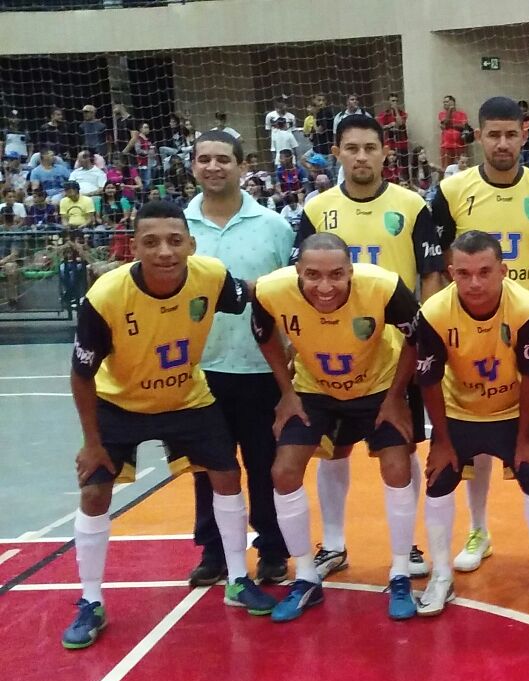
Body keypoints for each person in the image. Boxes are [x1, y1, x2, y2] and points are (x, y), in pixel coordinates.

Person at [62, 200, 273, 649]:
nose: (164, 251)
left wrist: (306, 279)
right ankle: (90, 601)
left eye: (175, 241)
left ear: (191, 245)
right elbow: (81, 375)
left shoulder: (211, 276)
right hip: (119, 404)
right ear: (133, 247)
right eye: (152, 242)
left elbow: (252, 291)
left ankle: (238, 578)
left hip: (186, 399)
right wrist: (91, 443)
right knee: (95, 491)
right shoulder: (106, 296)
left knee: (227, 475)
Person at [295, 112, 442, 580]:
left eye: (370, 148)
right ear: (336, 153)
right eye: (352, 148)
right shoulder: (317, 209)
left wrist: (426, 337)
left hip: (396, 356)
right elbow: (298, 279)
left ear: (385, 153)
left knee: (402, 450)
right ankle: (333, 544)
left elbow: (432, 276)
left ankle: (408, 545)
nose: (361, 157)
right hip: (330, 356)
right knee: (332, 451)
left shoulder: (412, 206)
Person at [429, 96, 529, 574]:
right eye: (494, 135)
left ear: (524, 134)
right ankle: (478, 530)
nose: (503, 143)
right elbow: (437, 261)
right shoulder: (453, 191)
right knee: (473, 436)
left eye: (511, 134)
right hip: (468, 337)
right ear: (479, 137)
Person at [253, 233, 422, 621]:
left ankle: (400, 572)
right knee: (283, 472)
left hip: (378, 386)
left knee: (397, 467)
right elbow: (264, 335)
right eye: (313, 275)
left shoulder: (383, 287)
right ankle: (306, 578)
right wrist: (286, 392)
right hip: (315, 388)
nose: (325, 286)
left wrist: (397, 396)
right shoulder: (270, 290)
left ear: (351, 272)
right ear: (297, 270)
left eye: (336, 275)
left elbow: (417, 338)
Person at [415, 230, 529, 619]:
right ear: (451, 273)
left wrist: (526, 438)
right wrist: (442, 442)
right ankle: (440, 576)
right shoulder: (434, 312)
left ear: (503, 271)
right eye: (464, 273)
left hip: (512, 410)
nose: (474, 283)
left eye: (484, 272)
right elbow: (429, 380)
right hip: (459, 412)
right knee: (439, 479)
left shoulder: (526, 307)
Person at [183, 130, 293, 586]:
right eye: (204, 159)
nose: (213, 167)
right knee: (208, 467)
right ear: (193, 165)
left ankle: (272, 548)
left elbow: (291, 296)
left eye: (223, 159)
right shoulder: (180, 226)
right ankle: (214, 551)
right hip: (199, 370)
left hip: (260, 368)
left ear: (242, 166)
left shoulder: (274, 226)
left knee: (265, 464)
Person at [439, 95, 468, 169]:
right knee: (447, 169)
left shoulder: (462, 114)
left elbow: (464, 127)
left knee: (461, 168)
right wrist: (450, 110)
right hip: (446, 147)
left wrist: (449, 126)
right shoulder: (442, 114)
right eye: (444, 102)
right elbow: (445, 122)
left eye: (446, 102)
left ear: (453, 102)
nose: (444, 103)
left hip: (459, 146)